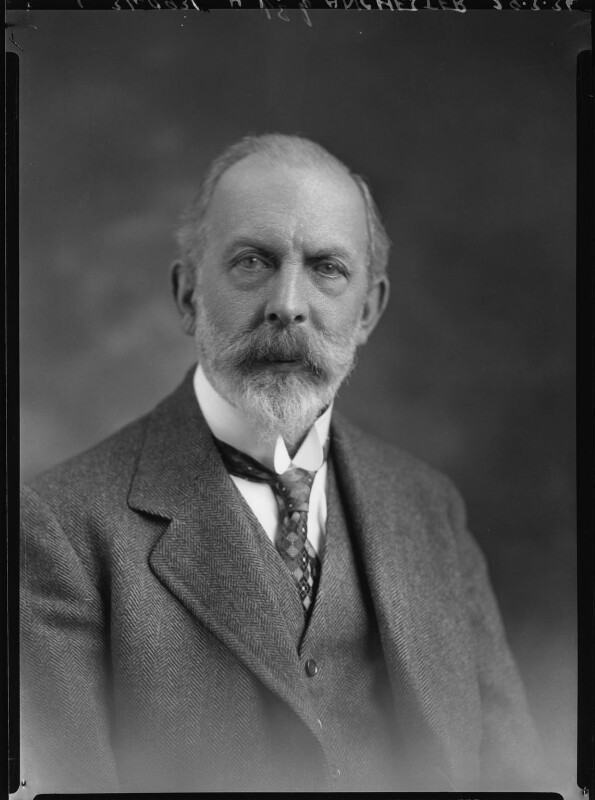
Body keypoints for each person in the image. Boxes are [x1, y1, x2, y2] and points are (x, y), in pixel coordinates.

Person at [20, 133, 545, 794]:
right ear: (187, 296)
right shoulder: (61, 528)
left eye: (327, 268)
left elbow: (516, 779)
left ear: (367, 311)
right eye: (252, 262)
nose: (287, 304)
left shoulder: (429, 506)